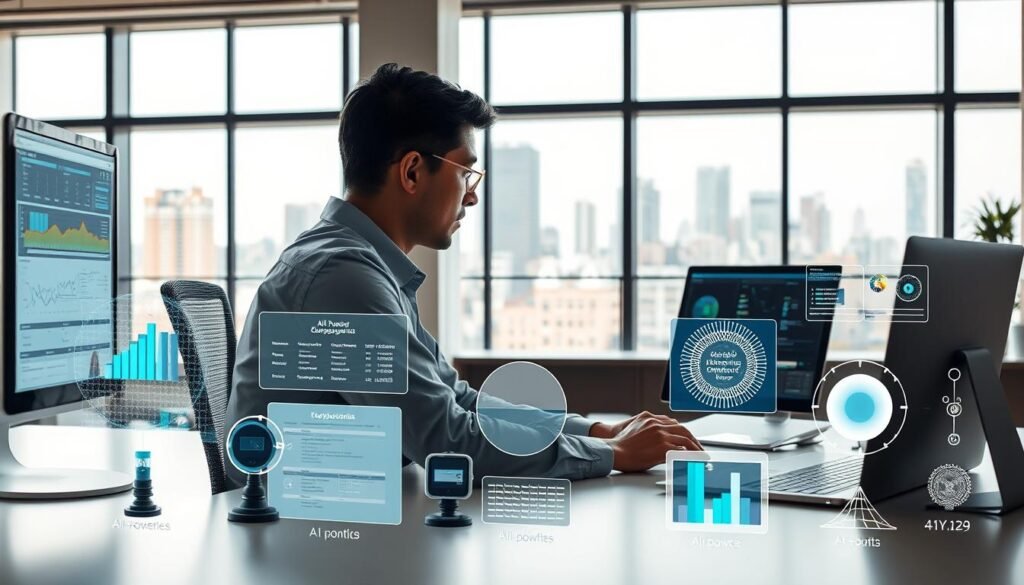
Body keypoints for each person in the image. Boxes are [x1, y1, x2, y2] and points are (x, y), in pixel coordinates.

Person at [226, 63, 701, 483]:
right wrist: (610, 454)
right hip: (306, 540)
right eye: (465, 173)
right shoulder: (341, 276)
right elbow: (445, 442)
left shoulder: (364, 265)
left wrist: (595, 430)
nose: (471, 196)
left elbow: (456, 400)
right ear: (412, 172)